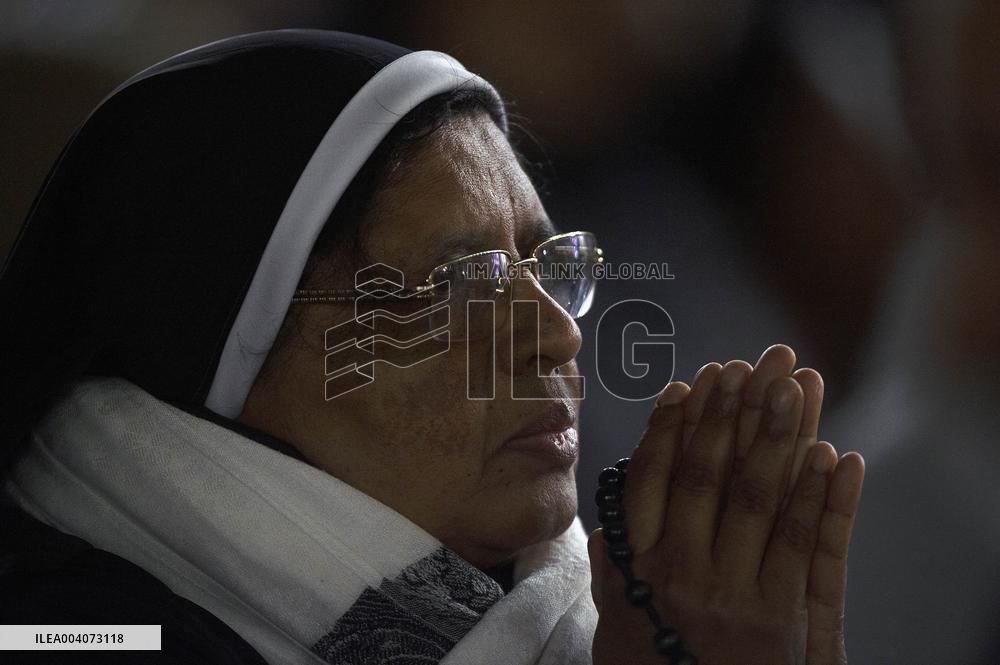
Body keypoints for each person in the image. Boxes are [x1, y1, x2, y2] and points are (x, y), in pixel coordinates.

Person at [0, 30, 864, 664]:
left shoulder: (610, 622)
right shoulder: (65, 633)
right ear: (222, 352)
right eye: (462, 281)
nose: (560, 336)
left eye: (546, 266)